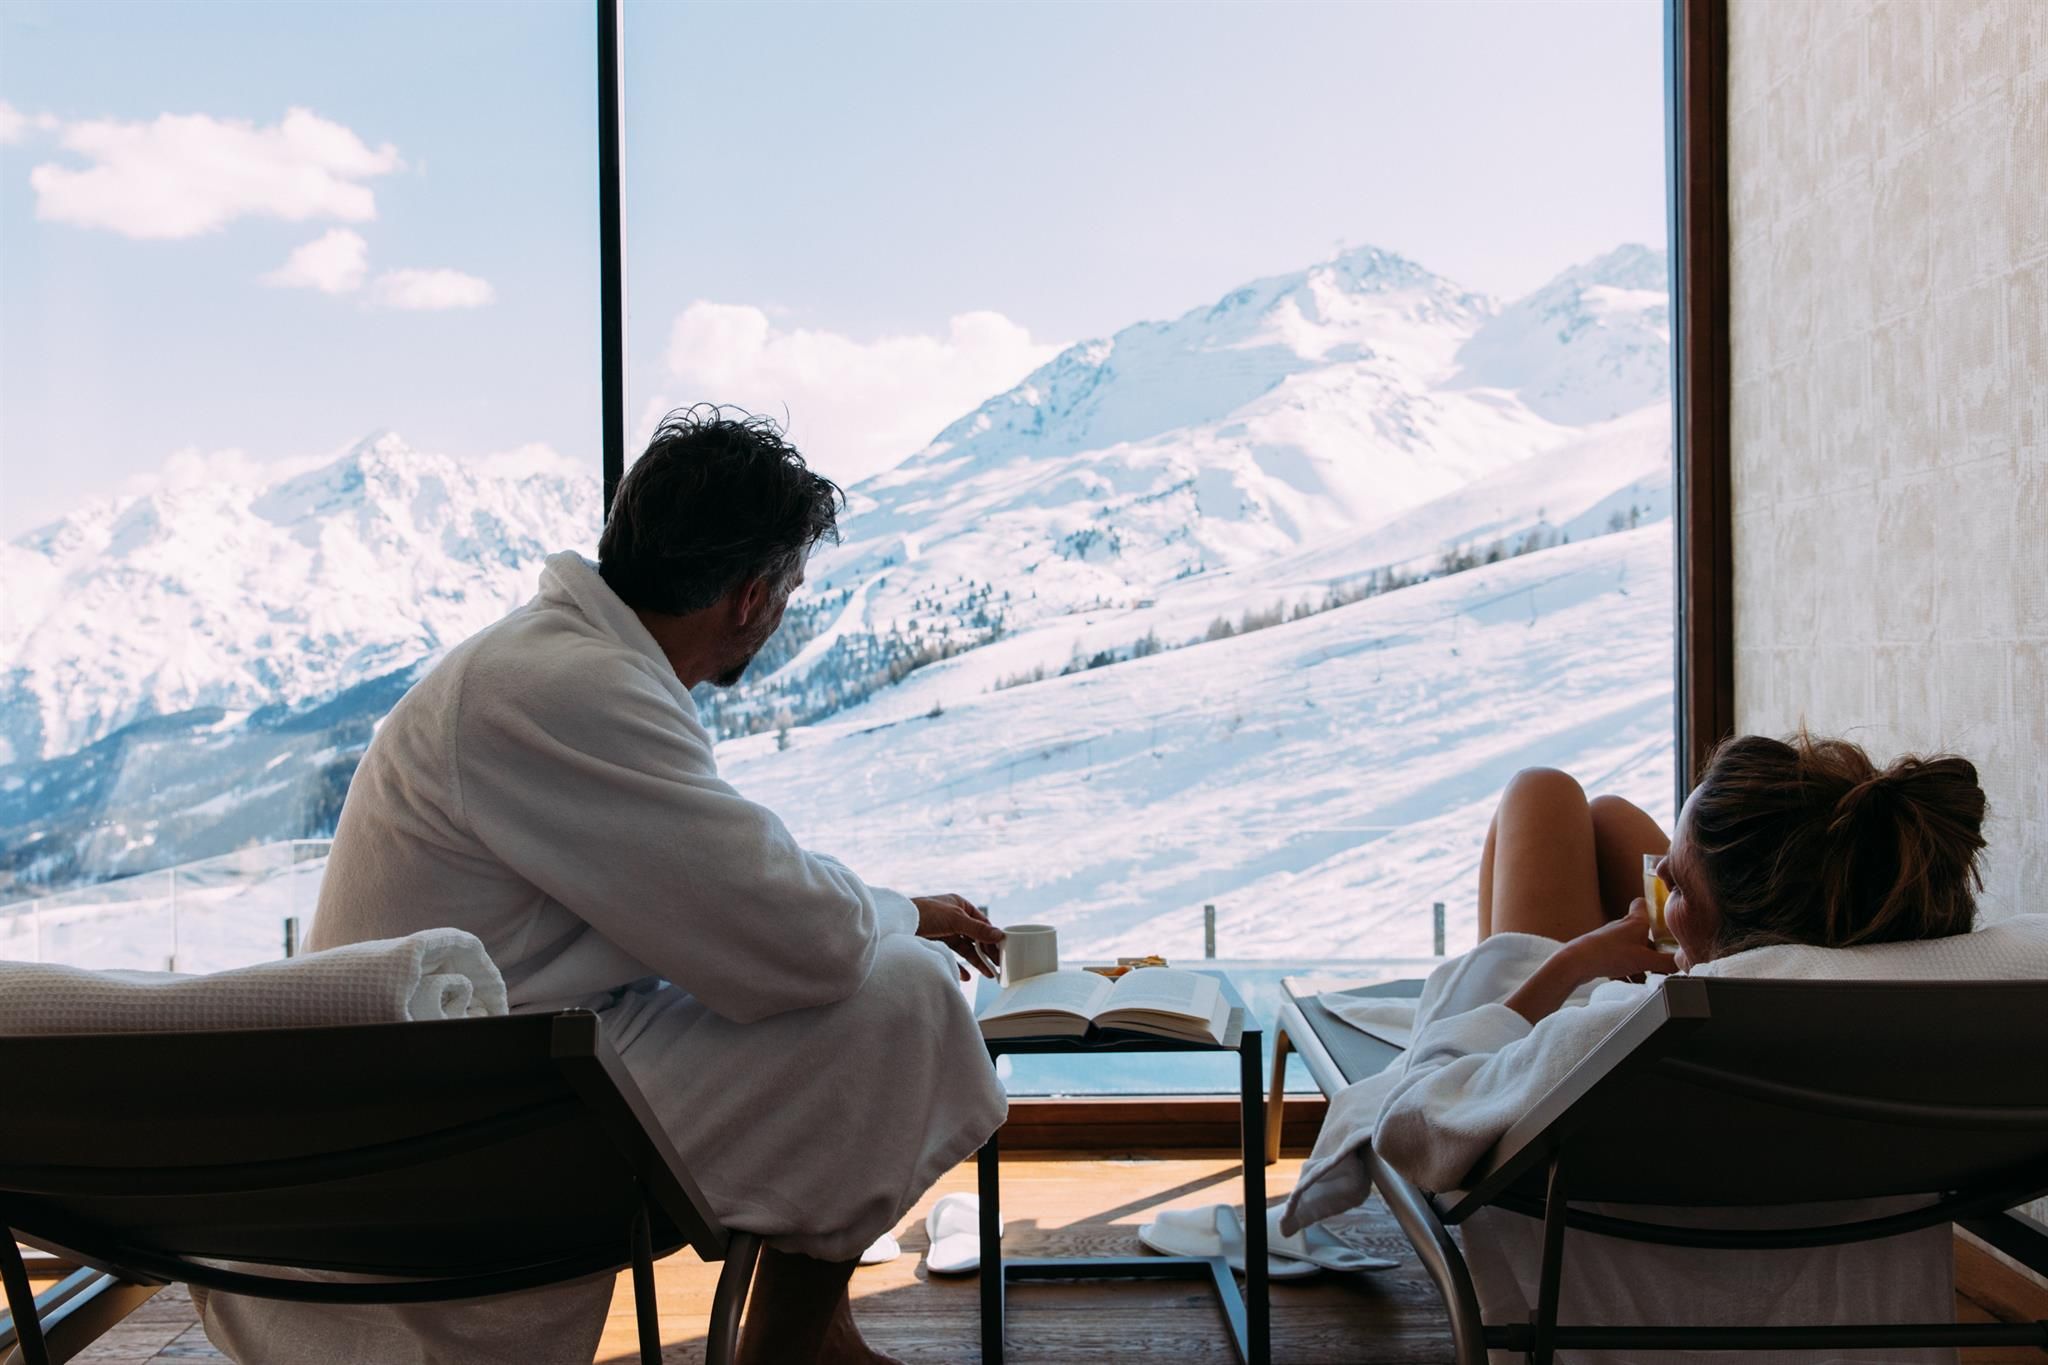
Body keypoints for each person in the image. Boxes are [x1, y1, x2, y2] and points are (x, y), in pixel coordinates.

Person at [200, 408, 1009, 1365]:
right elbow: (799, 940)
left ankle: (812, 1333)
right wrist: (909, 916)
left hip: (464, 1076)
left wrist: (889, 915)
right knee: (898, 994)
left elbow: (738, 900)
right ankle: (793, 1349)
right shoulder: (564, 688)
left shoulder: (549, 663)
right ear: (751, 599)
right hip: (457, 1134)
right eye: (789, 590)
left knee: (872, 980)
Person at [1285, 733, 2048, 1364]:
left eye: (1676, 886)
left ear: (1744, 932)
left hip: (1623, 1096)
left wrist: (1570, 965)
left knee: (1541, 791)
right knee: (1614, 819)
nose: (1653, 896)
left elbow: (1416, 1122)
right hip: (1782, 1120)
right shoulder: (1937, 1015)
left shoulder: (1621, 1032)